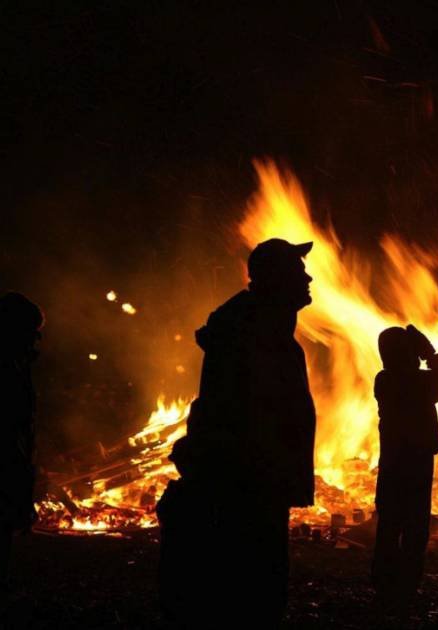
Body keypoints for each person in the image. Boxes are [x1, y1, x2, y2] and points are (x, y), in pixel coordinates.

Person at [157, 238, 317, 628]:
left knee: (254, 591)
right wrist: (265, 472)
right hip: (246, 489)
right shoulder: (251, 336)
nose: (308, 278)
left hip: (257, 485)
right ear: (275, 278)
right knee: (249, 593)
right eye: (298, 272)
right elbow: (248, 415)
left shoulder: (263, 330)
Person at [371, 324, 438, 609]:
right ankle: (402, 588)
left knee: (392, 523)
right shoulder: (403, 382)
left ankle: (388, 586)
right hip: (413, 462)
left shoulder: (385, 380)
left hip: (395, 462)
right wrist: (429, 352)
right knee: (413, 527)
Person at [0, 293, 43, 624]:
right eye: (32, 331)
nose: (36, 339)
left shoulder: (14, 363)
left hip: (7, 464)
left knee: (0, 531)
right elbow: (6, 428)